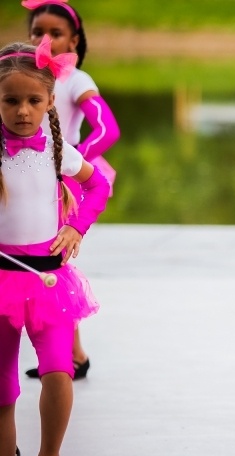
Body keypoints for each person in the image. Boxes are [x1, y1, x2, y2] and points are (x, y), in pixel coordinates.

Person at [0, 39, 110, 456]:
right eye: (10, 100)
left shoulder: (57, 152)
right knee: (2, 391)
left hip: (48, 282)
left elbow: (99, 184)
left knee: (59, 373)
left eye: (33, 100)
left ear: (49, 101)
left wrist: (77, 227)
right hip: (1, 280)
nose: (22, 111)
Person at [22, 0, 120, 381]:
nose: (44, 40)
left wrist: (71, 162)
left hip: (59, 183)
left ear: (74, 40)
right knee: (42, 263)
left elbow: (107, 130)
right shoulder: (24, 75)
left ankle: (68, 354)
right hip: (26, 176)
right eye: (37, 32)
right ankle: (72, 353)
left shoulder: (76, 80)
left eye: (56, 33)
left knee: (52, 263)